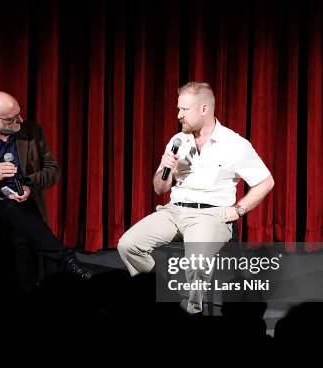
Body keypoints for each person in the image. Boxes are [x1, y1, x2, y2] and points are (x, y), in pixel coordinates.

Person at [117, 82, 274, 313]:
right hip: (174, 210)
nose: (179, 115)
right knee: (128, 245)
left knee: (196, 262)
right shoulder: (178, 140)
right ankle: (165, 293)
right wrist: (165, 171)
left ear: (204, 109)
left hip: (210, 215)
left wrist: (239, 209)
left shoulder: (235, 144)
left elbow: (265, 181)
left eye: (184, 110)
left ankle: (193, 312)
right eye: (178, 109)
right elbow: (159, 189)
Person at [0, 91, 93, 290]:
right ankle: (66, 258)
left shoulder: (32, 131)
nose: (20, 119)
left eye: (19, 113)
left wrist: (29, 185)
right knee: (9, 207)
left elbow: (52, 170)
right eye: (12, 118)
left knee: (20, 242)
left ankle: (26, 300)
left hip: (25, 207)